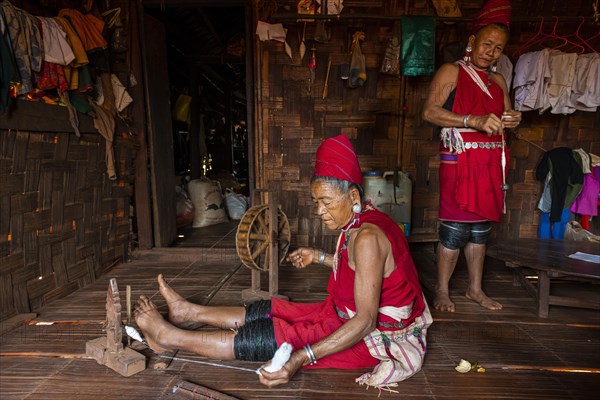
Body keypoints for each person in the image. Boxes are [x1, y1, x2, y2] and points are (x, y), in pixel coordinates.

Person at [134, 134, 431, 388]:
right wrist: (320, 256)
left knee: (284, 336)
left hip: (372, 337)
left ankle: (169, 337)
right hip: (341, 312)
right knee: (282, 309)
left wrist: (302, 356)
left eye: (325, 201)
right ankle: (190, 312)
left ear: (352, 194)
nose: (319, 210)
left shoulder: (366, 237)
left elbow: (365, 322)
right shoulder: (362, 219)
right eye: (316, 201)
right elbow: (367, 272)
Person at [422, 0, 522, 312]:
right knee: (455, 229)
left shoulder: (499, 80)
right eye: (487, 44)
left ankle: (475, 289)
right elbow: (430, 112)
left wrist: (513, 119)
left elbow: (505, 114)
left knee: (481, 229)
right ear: (472, 42)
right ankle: (441, 290)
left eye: (498, 48)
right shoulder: (451, 72)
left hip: (491, 164)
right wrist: (471, 120)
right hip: (460, 160)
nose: (492, 52)